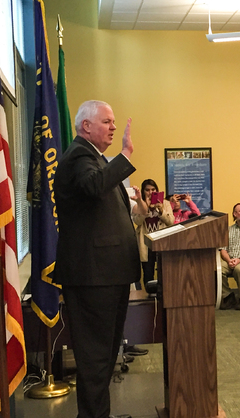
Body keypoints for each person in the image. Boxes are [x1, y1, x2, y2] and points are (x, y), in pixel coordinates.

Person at [54, 100, 140, 418]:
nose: (113, 127)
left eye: (114, 121)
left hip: (106, 275)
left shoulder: (94, 157)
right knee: (95, 358)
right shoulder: (79, 156)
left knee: (104, 355)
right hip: (93, 277)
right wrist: (125, 154)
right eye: (107, 121)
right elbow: (94, 186)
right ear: (86, 126)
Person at [132, 179, 174, 289]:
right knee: (148, 273)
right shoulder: (139, 204)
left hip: (162, 242)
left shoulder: (165, 203)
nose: (150, 192)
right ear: (143, 191)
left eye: (153, 189)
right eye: (147, 190)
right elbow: (137, 222)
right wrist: (145, 208)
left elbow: (171, 222)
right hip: (146, 244)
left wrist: (161, 210)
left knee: (164, 272)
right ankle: (149, 295)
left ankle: (164, 294)